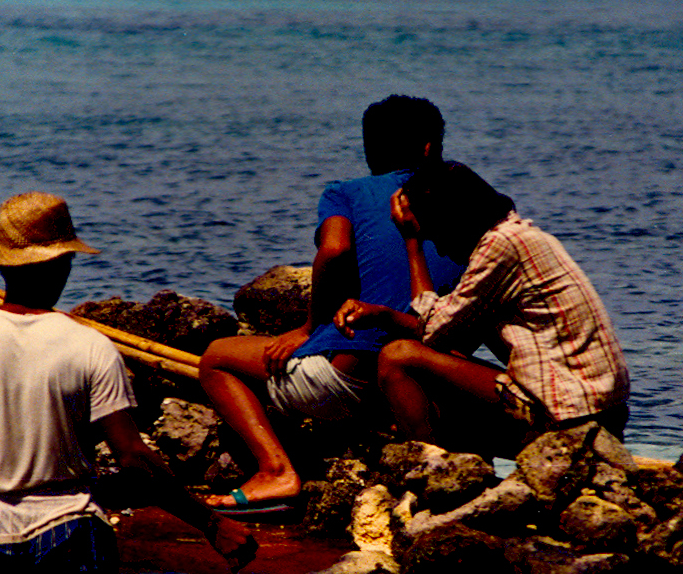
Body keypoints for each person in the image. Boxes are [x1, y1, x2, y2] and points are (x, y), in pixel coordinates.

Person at [0, 191, 256, 574]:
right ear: (64, 263)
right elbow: (134, 458)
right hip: (73, 528)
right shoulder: (91, 347)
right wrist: (210, 524)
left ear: (3, 265)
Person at [199, 95, 465, 514]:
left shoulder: (348, 193)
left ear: (367, 149)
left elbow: (336, 250)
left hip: (348, 381)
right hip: (425, 379)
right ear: (431, 149)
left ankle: (276, 472)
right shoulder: (468, 201)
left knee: (216, 357)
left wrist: (309, 328)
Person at [333, 161, 631, 455]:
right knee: (447, 358)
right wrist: (382, 315)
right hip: (598, 412)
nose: (438, 247)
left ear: (453, 219)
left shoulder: (502, 245)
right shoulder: (522, 236)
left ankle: (426, 472)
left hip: (570, 415)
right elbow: (445, 335)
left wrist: (411, 241)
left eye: (434, 233)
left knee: (398, 358)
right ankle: (454, 468)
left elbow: (432, 331)